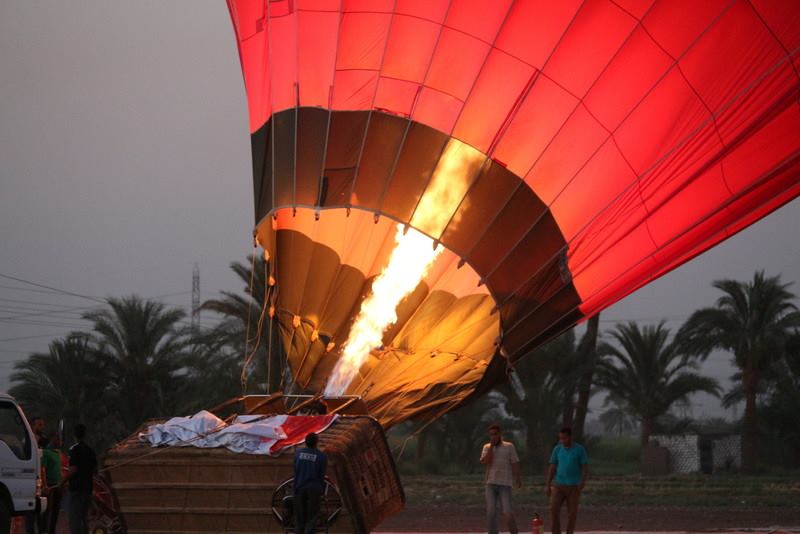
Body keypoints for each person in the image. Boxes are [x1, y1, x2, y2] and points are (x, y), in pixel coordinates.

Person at [480, 423, 521, 534]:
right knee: (491, 512)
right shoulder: (487, 447)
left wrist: (518, 477)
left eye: (495, 434)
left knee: (507, 512)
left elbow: (515, 462)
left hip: (505, 483)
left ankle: (514, 531)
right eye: (491, 434)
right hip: (491, 483)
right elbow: (485, 461)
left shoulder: (509, 446)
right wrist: (491, 448)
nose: (493, 436)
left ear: (500, 434)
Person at [546, 427, 588, 534]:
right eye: (560, 438)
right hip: (559, 485)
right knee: (554, 510)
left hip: (574, 486)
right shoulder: (557, 449)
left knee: (572, 514)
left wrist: (582, 481)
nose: (562, 441)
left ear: (570, 437)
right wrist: (548, 484)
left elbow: (584, 467)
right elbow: (552, 467)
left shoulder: (579, 449)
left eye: (564, 438)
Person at [61, 424, 97, 534]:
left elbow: (73, 469)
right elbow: (95, 471)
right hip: (88, 489)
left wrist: (61, 482)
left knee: (75, 519)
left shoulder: (74, 450)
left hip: (76, 489)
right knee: (84, 518)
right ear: (85, 435)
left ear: (74, 436)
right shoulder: (90, 451)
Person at [293, 432, 327, 534]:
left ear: (305, 442)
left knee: (299, 518)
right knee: (311, 517)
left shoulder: (298, 454)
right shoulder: (322, 456)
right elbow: (321, 474)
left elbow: (295, 470)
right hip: (314, 489)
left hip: (299, 487)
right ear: (316, 443)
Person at [41, 432, 64, 534]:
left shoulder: (57, 453)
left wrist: (63, 480)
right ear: (53, 440)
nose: (60, 442)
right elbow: (43, 469)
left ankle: (52, 531)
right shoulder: (46, 452)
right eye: (58, 440)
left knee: (56, 510)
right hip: (49, 484)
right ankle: (44, 531)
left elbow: (59, 469)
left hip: (58, 485)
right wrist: (45, 485)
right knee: (47, 510)